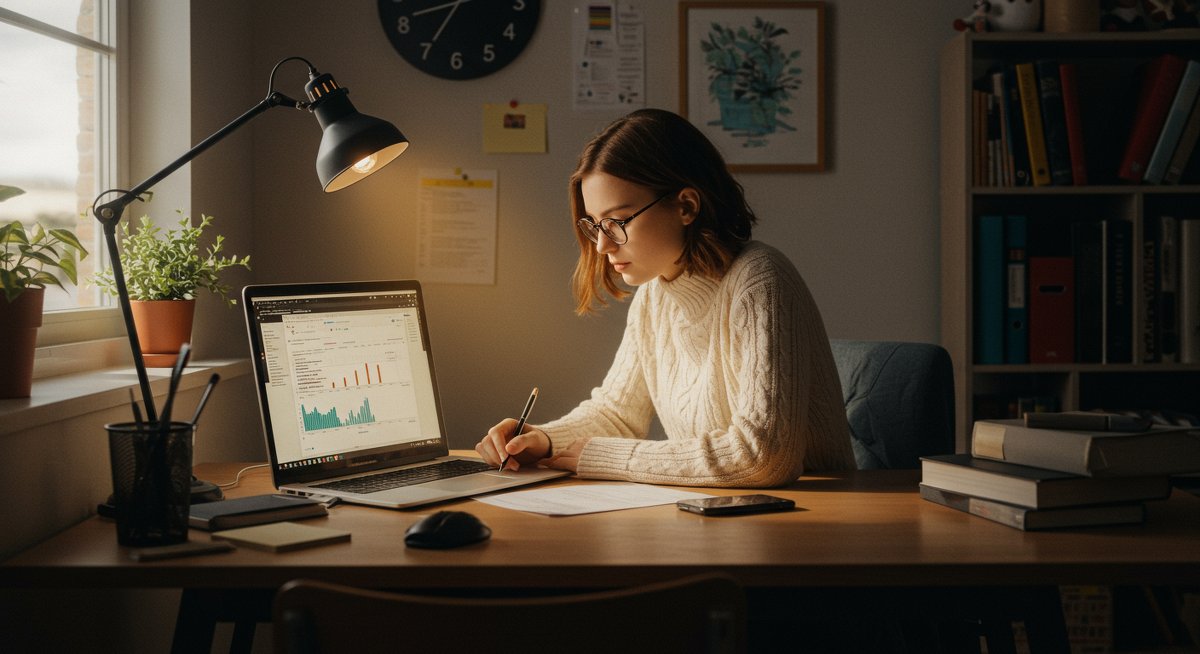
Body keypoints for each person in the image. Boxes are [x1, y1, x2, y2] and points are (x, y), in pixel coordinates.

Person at [474, 108, 854, 487]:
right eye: (596, 224)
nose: (603, 245)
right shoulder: (654, 295)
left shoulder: (759, 281)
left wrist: (607, 457)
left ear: (686, 206)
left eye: (617, 222)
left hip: (815, 511)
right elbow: (617, 415)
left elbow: (762, 457)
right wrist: (542, 439)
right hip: (722, 509)